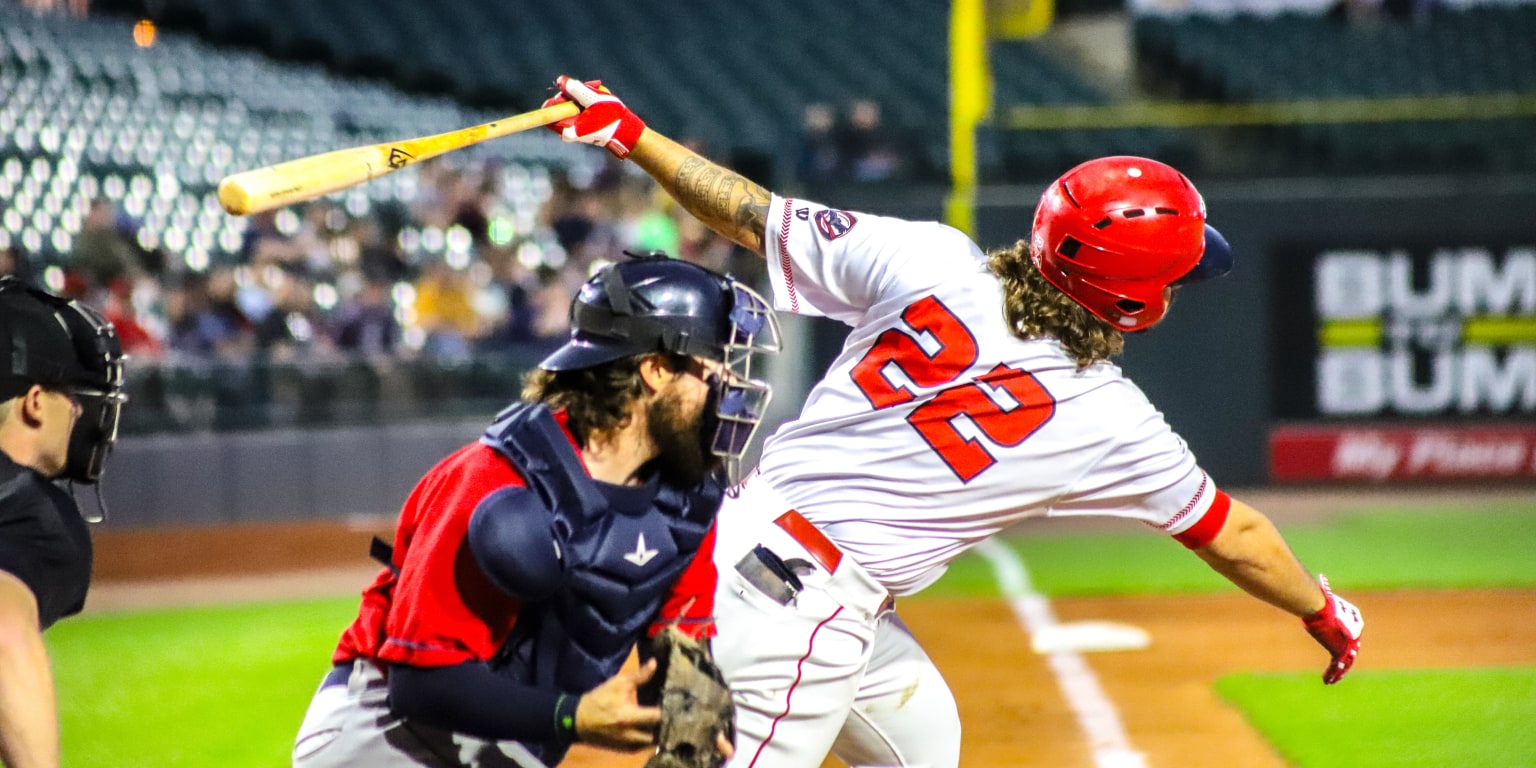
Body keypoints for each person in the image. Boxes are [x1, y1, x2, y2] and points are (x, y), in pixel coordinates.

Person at [542, 76, 1366, 768]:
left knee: (924, 740)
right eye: (1173, 278)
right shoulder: (1112, 416)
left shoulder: (932, 258)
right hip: (801, 606)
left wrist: (634, 136)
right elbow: (1237, 536)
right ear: (1132, 299)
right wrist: (1322, 612)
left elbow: (750, 214)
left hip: (731, 546)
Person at [292, 253, 781, 768]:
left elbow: (680, 653)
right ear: (656, 370)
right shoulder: (494, 480)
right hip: (385, 735)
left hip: (513, 743)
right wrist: (574, 716)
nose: (727, 384)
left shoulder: (685, 503)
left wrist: (693, 710)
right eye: (712, 366)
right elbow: (419, 683)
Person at [0, 277, 127, 768]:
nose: (80, 410)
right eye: (70, 396)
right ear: (35, 403)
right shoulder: (31, 511)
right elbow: (5, 635)